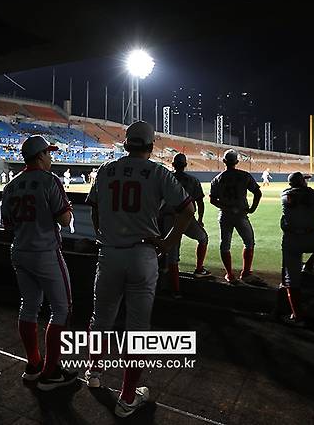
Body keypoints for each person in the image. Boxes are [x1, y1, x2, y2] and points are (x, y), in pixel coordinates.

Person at [85, 121, 194, 418]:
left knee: (102, 318)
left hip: (109, 253)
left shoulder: (106, 170)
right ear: (150, 146)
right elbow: (188, 208)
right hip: (143, 254)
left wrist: (103, 234)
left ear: (126, 144)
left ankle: (93, 372)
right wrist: (169, 243)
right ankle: (128, 397)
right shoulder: (159, 172)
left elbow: (93, 207)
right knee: (137, 330)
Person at [1, 135, 76, 390]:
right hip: (45, 252)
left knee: (29, 306)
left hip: (20, 250)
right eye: (49, 153)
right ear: (40, 156)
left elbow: (7, 224)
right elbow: (65, 220)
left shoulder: (11, 186)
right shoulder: (49, 180)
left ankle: (34, 364)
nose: (51, 157)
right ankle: (51, 371)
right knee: (62, 309)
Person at [161, 153, 210, 298]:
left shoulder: (165, 179)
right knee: (203, 238)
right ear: (185, 165)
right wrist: (200, 219)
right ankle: (199, 268)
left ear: (173, 165)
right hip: (187, 218)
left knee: (172, 256)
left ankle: (175, 291)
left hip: (169, 218)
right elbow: (200, 202)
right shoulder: (193, 180)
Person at [209, 149, 262, 284]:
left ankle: (230, 274)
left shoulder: (217, 179)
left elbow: (212, 200)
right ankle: (245, 273)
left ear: (224, 161)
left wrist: (226, 207)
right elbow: (257, 193)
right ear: (237, 162)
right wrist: (252, 208)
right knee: (249, 242)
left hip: (225, 215)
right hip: (241, 214)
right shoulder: (245, 175)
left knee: (225, 245)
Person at [280, 172, 314, 325]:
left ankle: (297, 316)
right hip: (310, 238)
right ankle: (309, 265)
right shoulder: (313, 193)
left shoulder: (284, 194)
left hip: (291, 239)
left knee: (291, 280)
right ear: (302, 182)